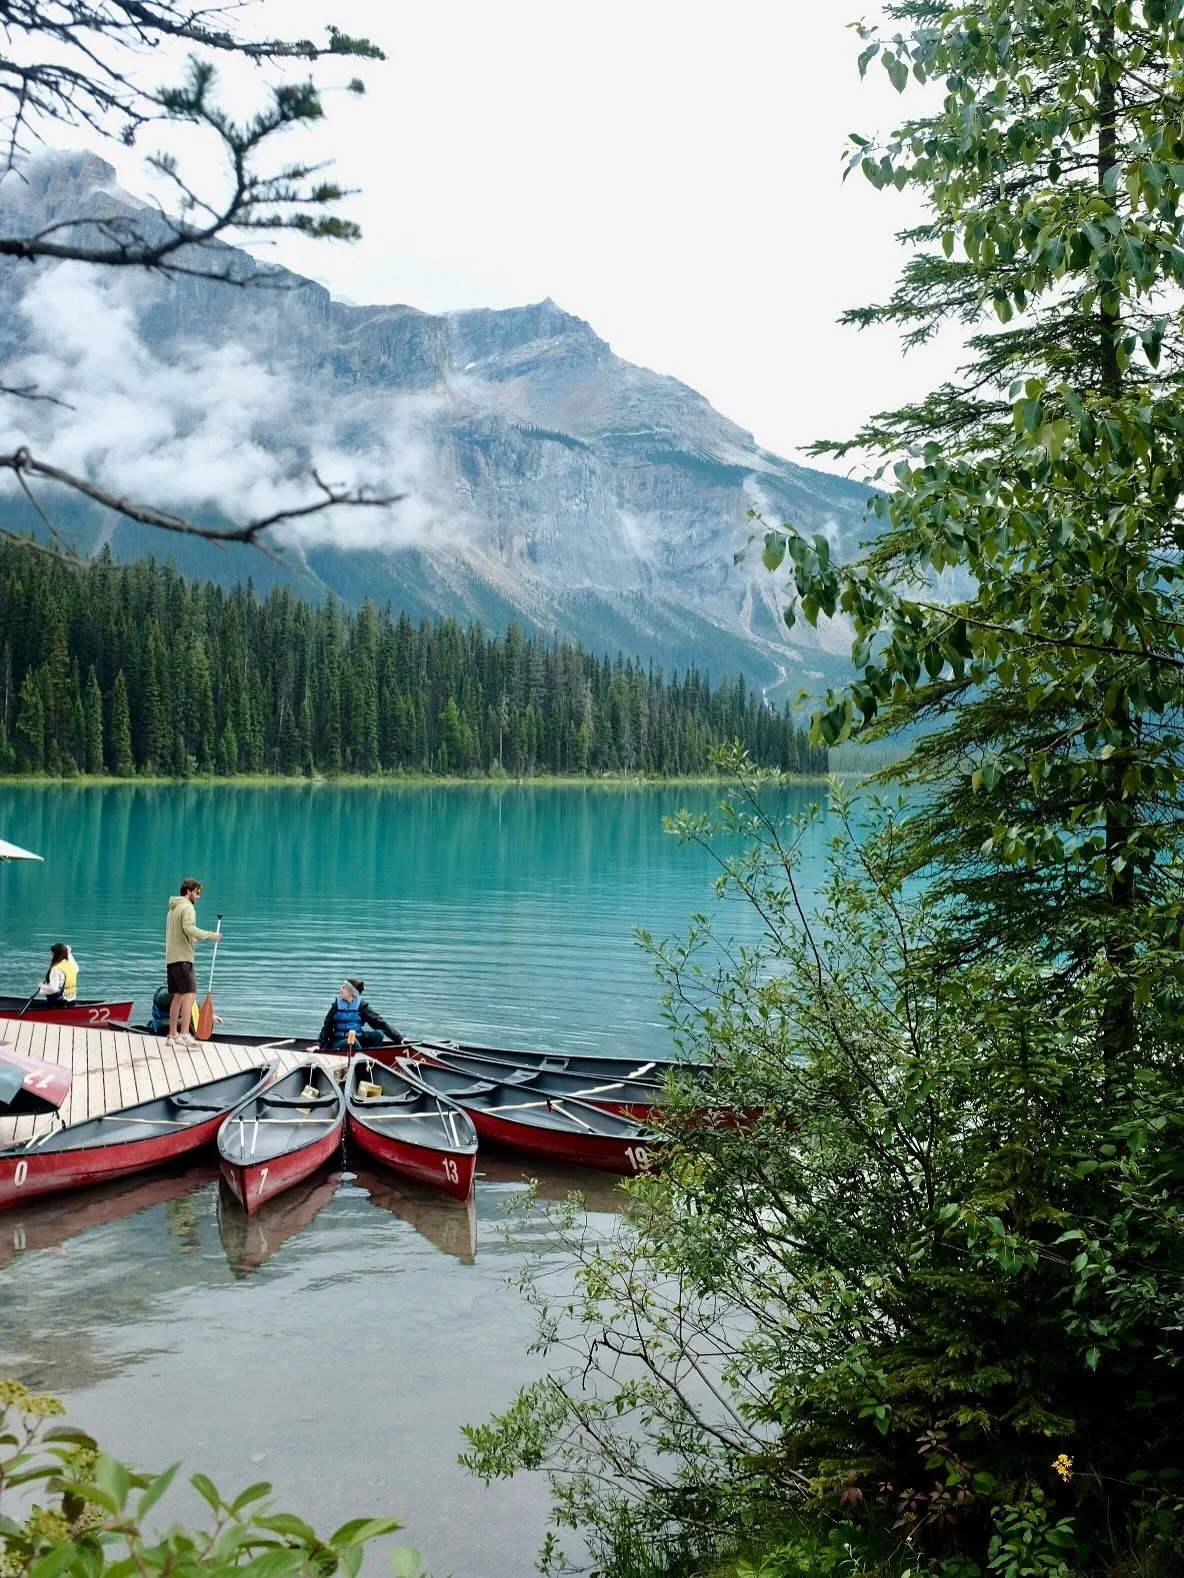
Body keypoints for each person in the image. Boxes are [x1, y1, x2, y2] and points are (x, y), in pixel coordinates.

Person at [165, 877, 221, 1050]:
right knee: (190, 994)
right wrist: (211, 936)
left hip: (171, 958)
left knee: (178, 996)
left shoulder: (173, 909)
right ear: (188, 891)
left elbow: (180, 932)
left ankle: (172, 1034)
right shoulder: (187, 907)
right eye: (197, 893)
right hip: (183, 959)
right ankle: (184, 1034)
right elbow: (189, 929)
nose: (198, 896)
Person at [318, 979, 403, 1051]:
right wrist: (318, 1044)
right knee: (353, 1041)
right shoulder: (336, 1006)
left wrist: (399, 1038)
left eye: (343, 987)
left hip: (358, 1040)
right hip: (338, 1042)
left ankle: (372, 1058)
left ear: (350, 992)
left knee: (378, 1034)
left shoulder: (361, 1005)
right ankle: (362, 1059)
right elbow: (327, 1027)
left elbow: (379, 1023)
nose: (340, 990)